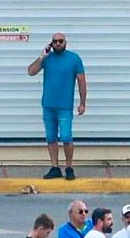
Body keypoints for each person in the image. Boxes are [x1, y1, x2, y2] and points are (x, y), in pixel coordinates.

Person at [28, 32, 86, 180]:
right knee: (51, 137)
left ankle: (69, 167)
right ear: (51, 44)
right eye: (55, 41)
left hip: (65, 106)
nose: (58, 43)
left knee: (66, 137)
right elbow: (31, 72)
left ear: (66, 42)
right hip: (48, 105)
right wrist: (42, 56)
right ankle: (55, 167)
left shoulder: (74, 59)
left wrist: (82, 102)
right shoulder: (47, 59)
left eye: (61, 41)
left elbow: (81, 81)